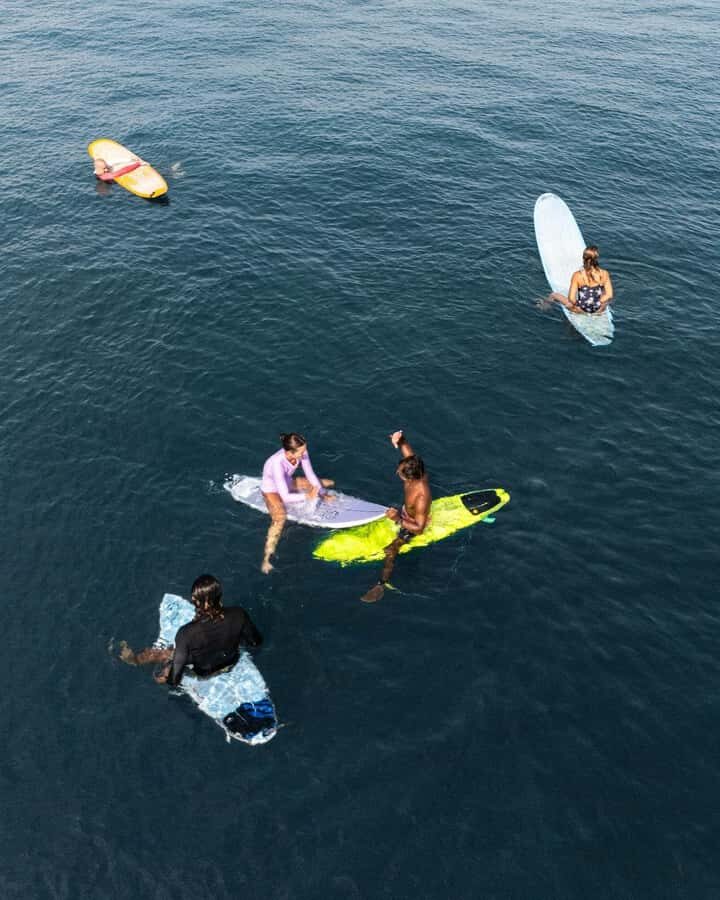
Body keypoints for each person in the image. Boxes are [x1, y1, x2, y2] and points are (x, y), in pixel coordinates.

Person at [118, 574, 262, 686]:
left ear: (202, 603)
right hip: (231, 661)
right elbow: (255, 642)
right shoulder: (239, 614)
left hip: (204, 672)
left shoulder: (186, 633)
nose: (193, 601)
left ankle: (134, 660)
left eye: (194, 599)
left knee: (167, 654)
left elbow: (174, 681)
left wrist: (166, 679)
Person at [361, 430, 432, 604]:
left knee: (390, 551)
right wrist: (400, 439)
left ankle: (381, 584)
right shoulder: (415, 467)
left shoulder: (421, 496)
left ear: (411, 477)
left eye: (400, 472)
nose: (397, 473)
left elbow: (420, 529)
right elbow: (408, 453)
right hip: (403, 513)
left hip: (412, 525)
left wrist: (398, 520)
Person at [260, 432, 335, 574]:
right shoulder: (277, 463)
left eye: (304, 449)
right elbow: (285, 497)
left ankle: (318, 488)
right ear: (290, 451)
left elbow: (310, 474)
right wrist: (308, 496)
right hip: (272, 490)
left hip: (287, 483)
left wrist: (321, 494)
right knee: (280, 518)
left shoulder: (301, 452)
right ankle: (266, 558)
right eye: (301, 451)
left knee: (326, 483)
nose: (304, 453)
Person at [548, 245, 614, 315]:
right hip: (598, 310)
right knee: (603, 292)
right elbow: (610, 295)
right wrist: (598, 302)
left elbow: (572, 299)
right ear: (596, 259)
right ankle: (599, 310)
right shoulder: (604, 273)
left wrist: (576, 304)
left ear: (583, 259)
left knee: (554, 295)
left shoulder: (577, 275)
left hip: (580, 310)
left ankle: (544, 306)